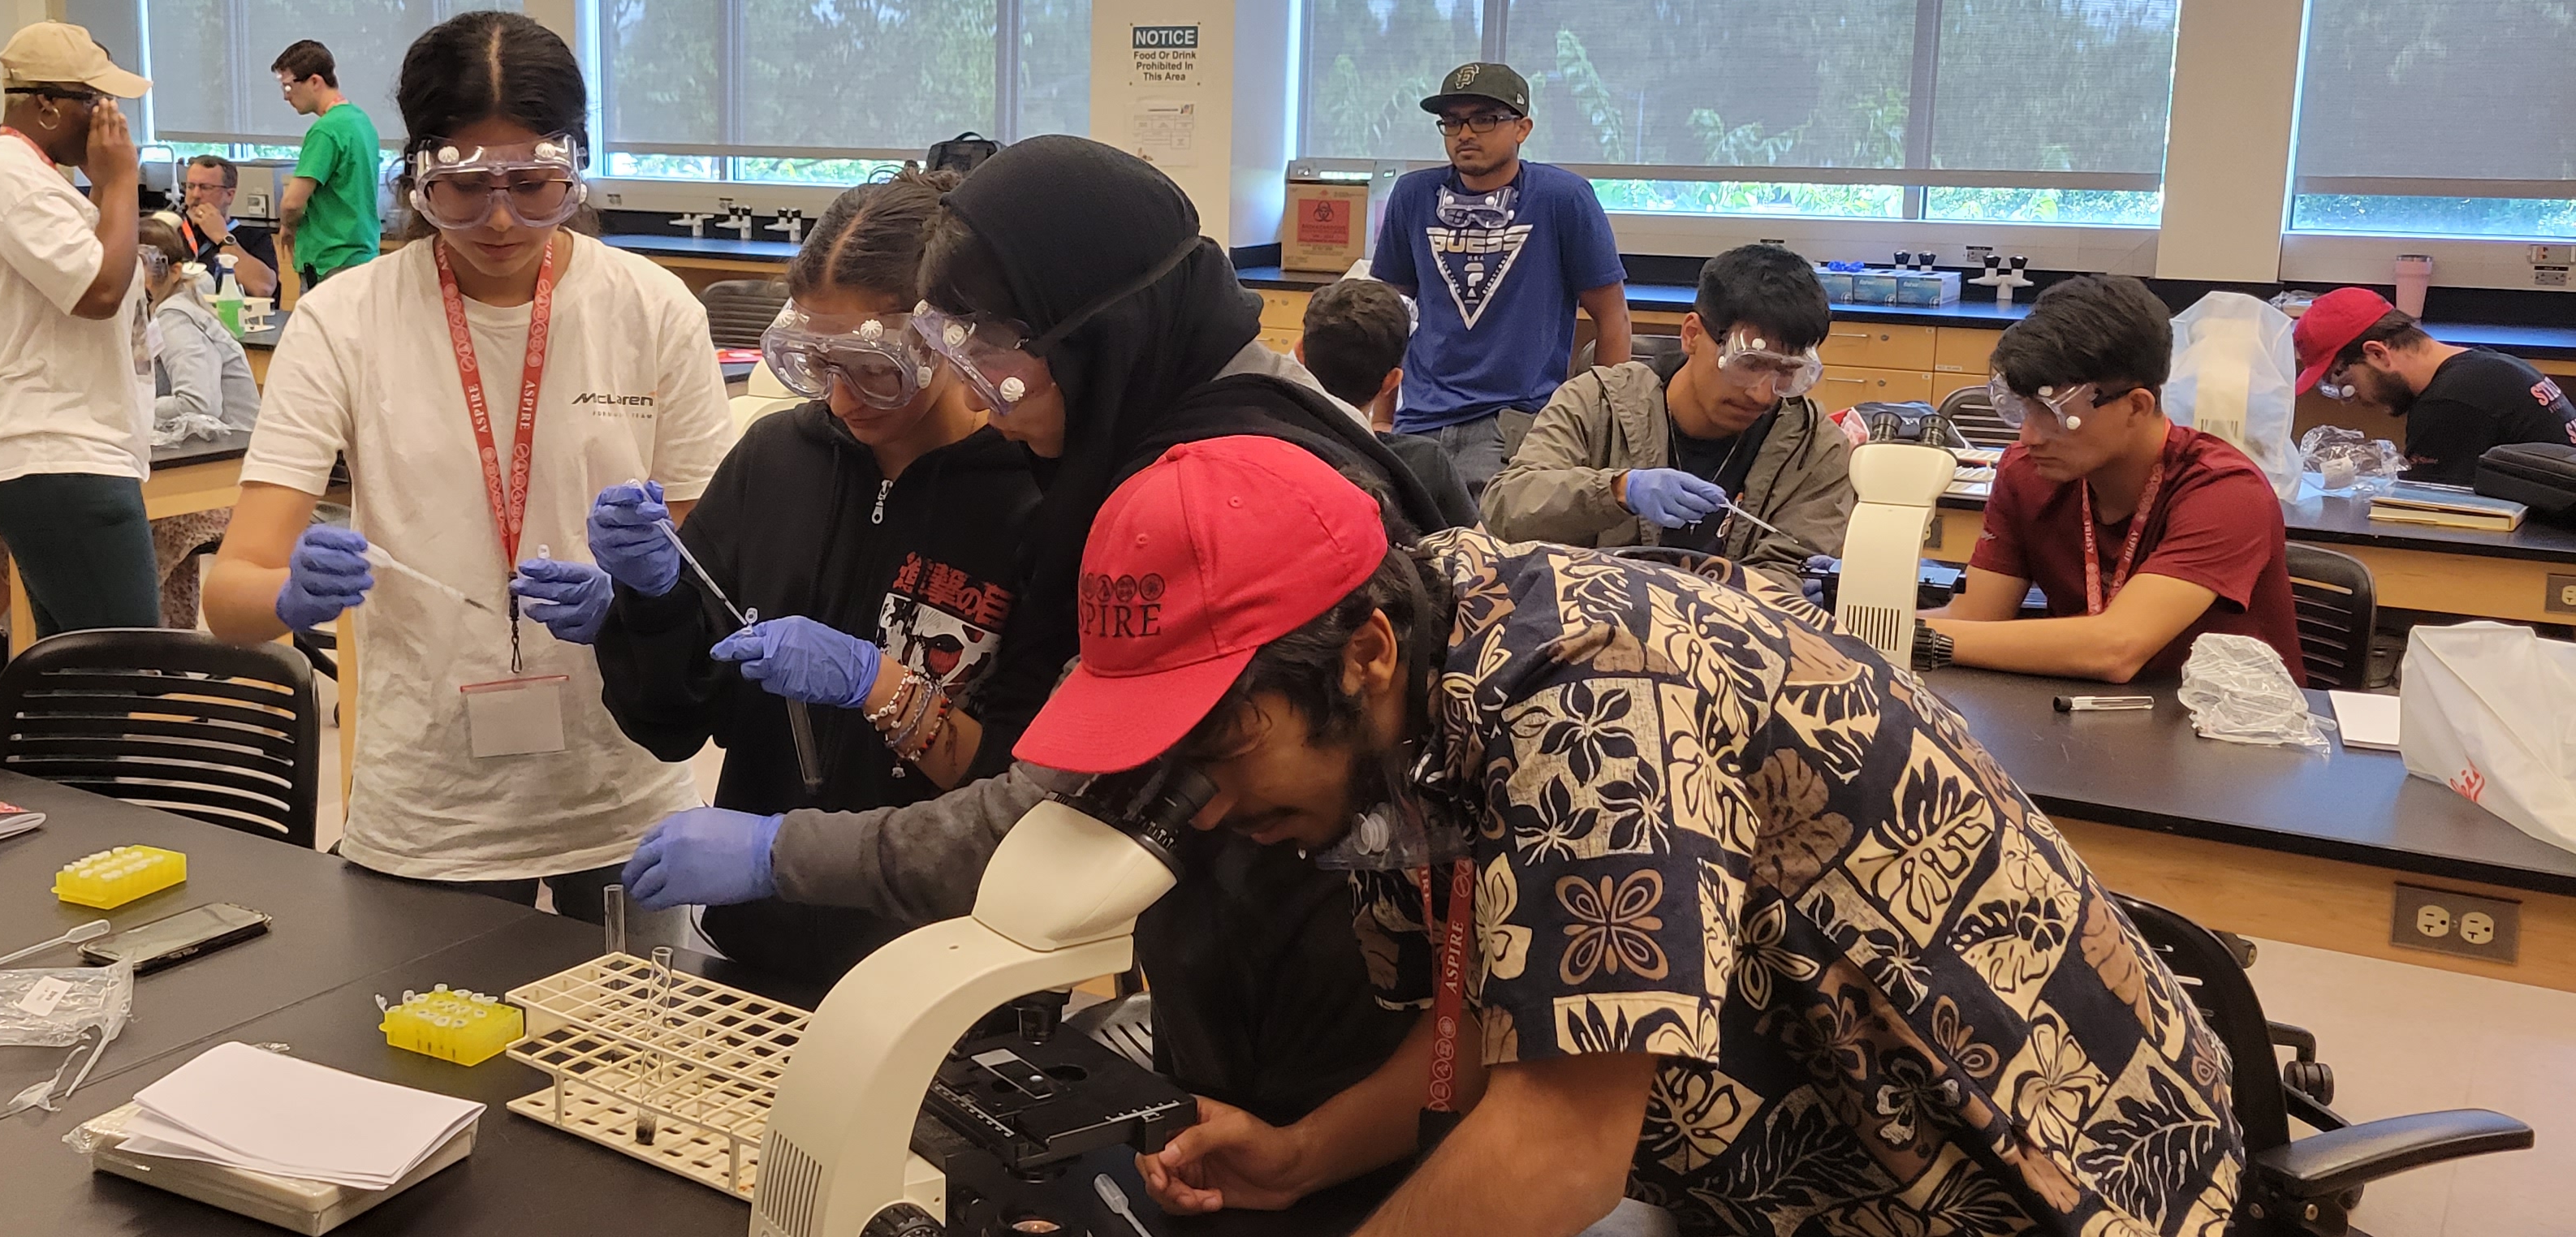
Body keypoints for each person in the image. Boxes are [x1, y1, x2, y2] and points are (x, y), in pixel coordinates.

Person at [1009, 434, 2244, 1237]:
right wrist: (1302, 1155)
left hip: (2046, 1186)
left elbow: (1559, 1150)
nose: (1211, 810)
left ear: (1362, 654)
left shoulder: (1596, 696)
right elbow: (1499, 1034)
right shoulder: (1429, 676)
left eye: (1220, 751)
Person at [627, 136, 1443, 1123]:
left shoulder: (1227, 488)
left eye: (999, 365)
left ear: (1102, 333)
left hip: (1322, 979)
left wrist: (777, 851)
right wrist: (642, 608)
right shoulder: (1167, 429)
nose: (976, 398)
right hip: (1242, 957)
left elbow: (1042, 813)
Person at [205, 11, 729, 919]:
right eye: (463, 190)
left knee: (627, 1059)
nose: (499, 220)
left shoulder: (650, 310)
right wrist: (290, 597)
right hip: (429, 813)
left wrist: (641, 592)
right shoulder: (347, 321)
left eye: (532, 185)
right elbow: (230, 597)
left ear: (577, 164)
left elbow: (720, 574)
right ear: (417, 176)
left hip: (623, 796)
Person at [516, 170, 1038, 989]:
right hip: (758, 937)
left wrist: (880, 684)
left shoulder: (1033, 495)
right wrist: (648, 604)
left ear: (949, 335)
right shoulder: (775, 459)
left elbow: (1020, 796)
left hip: (944, 962)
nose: (840, 398)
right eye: (814, 361)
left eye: (874, 366)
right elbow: (679, 722)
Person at [1927, 275, 2302, 684]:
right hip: (2077, 719)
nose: (2028, 437)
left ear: (2136, 407)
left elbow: (2116, 648)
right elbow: (1976, 616)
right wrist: (1854, 633)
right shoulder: (2026, 472)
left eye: (2052, 414)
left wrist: (1905, 638)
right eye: (2024, 409)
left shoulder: (2225, 491)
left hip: (2224, 732)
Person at [0, 22, 159, 636]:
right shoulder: (11, 176)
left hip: (70, 446)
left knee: (75, 667)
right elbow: (98, 291)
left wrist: (107, 191)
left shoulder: (33, 175)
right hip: (57, 449)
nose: (109, 119)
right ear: (45, 104)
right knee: (125, 661)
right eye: (94, 102)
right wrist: (119, 182)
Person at [1482, 243, 1852, 582]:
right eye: (1749, 363)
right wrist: (1619, 490)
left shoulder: (1813, 447)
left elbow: (1792, 570)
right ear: (1692, 334)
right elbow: (1507, 509)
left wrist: (1790, 585)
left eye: (1785, 372)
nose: (1762, 395)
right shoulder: (1597, 404)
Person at [1370, 62, 1629, 498]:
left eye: (1485, 119)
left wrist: (1599, 430)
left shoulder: (1561, 198)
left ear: (1522, 128)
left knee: (1490, 554)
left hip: (1515, 422)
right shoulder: (1414, 196)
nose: (1465, 133)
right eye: (1452, 122)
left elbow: (1612, 317)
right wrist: (1380, 419)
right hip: (1419, 417)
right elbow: (1389, 317)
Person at [2292, 286, 2576, 486]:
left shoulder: (2449, 403)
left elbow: (2429, 514)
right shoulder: (2485, 365)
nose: (2353, 399)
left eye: (2345, 381)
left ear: (2378, 354)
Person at [140, 214, 262, 628]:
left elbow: (198, 403)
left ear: (172, 271)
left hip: (231, 478)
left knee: (135, 534)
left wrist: (133, 407)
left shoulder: (175, 318)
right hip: (213, 470)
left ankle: (145, 648)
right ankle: (158, 648)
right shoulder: (160, 311)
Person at [1293, 278, 1480, 530]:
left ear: (1300, 353)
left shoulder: (1267, 446)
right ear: (1392, 381)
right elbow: (1483, 552)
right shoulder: (1425, 463)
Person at [271, 39, 383, 292]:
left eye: (289, 86)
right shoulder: (361, 122)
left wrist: (288, 228)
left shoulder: (326, 130)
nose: (286, 96)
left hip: (330, 262)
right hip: (362, 255)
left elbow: (292, 202)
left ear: (314, 81)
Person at [175, 154, 279, 304]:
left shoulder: (254, 237)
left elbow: (263, 288)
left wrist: (222, 237)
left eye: (205, 187)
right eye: (190, 186)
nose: (195, 195)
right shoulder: (174, 233)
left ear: (229, 195)